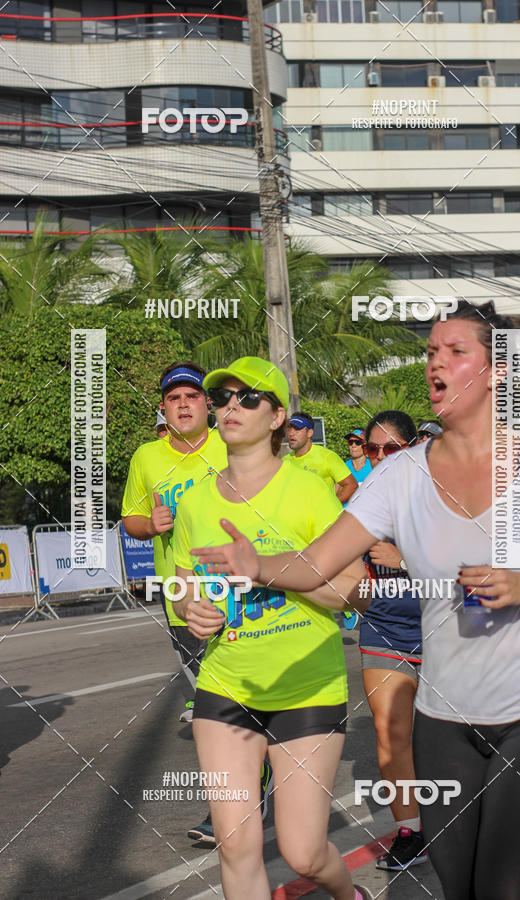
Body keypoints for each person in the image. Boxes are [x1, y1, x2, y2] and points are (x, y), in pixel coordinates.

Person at [194, 302, 520, 900]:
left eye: (456, 351)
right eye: (432, 351)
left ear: (496, 372)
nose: (436, 363)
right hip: (444, 716)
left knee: (508, 890)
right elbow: (317, 563)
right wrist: (258, 566)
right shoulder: (400, 475)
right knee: (458, 887)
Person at [171, 356, 371, 900]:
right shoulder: (195, 502)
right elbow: (184, 587)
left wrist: (266, 569)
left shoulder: (307, 491)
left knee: (304, 853)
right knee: (235, 846)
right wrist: (193, 609)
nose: (231, 407)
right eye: (222, 398)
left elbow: (354, 589)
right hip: (226, 686)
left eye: (249, 398)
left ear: (278, 416)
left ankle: (348, 895)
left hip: (307, 688)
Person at [121, 360, 247, 845]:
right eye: (174, 398)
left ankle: (245, 793)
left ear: (207, 404)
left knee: (239, 703)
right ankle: (234, 800)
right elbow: (130, 517)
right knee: (213, 710)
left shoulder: (232, 444)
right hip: (182, 597)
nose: (183, 405)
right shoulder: (146, 458)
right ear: (163, 408)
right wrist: (148, 525)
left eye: (192, 396)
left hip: (240, 589)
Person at [359, 411, 425, 872]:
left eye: (392, 448)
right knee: (390, 732)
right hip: (384, 630)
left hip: (446, 631)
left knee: (451, 739)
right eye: (373, 449)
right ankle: (411, 832)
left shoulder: (443, 496)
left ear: (413, 448)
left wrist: (405, 560)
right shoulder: (362, 504)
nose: (381, 457)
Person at [286, 412, 358, 503]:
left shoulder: (327, 457)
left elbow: (351, 485)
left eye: (297, 429)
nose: (291, 433)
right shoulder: (284, 461)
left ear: (309, 433)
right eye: (289, 429)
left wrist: (331, 506)